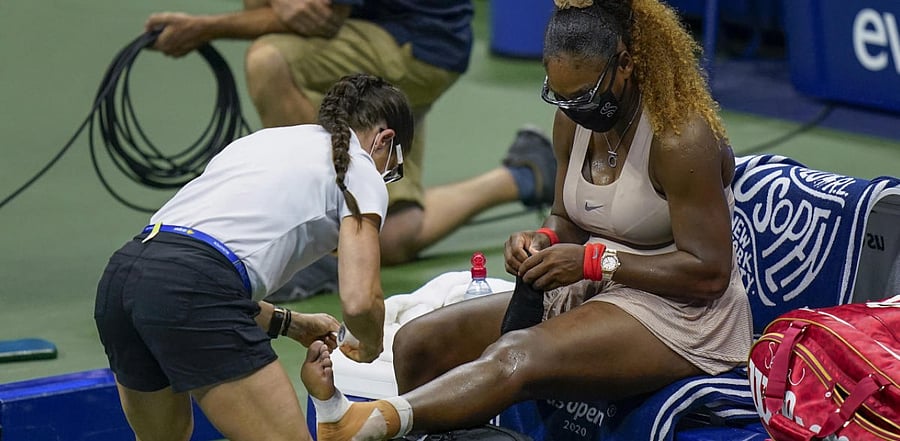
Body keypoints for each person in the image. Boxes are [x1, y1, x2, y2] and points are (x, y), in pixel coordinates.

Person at [298, 0, 754, 439]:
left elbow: (709, 273)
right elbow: (566, 219)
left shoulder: (680, 139)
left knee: (516, 355)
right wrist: (541, 238)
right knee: (417, 342)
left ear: (626, 63)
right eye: (560, 96)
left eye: (584, 95)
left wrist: (593, 262)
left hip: (682, 314)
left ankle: (368, 424)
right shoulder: (573, 122)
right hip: (598, 285)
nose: (573, 108)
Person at [145, 0, 557, 302]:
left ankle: (323, 243)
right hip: (375, 29)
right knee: (390, 238)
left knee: (271, 60)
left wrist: (204, 28)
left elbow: (322, 14)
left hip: (417, 45)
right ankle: (526, 172)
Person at [93, 73, 414, 441]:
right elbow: (359, 302)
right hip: (188, 288)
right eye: (393, 167)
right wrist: (370, 343)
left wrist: (290, 322)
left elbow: (183, 273)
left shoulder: (263, 142)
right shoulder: (359, 169)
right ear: (385, 140)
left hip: (123, 278)